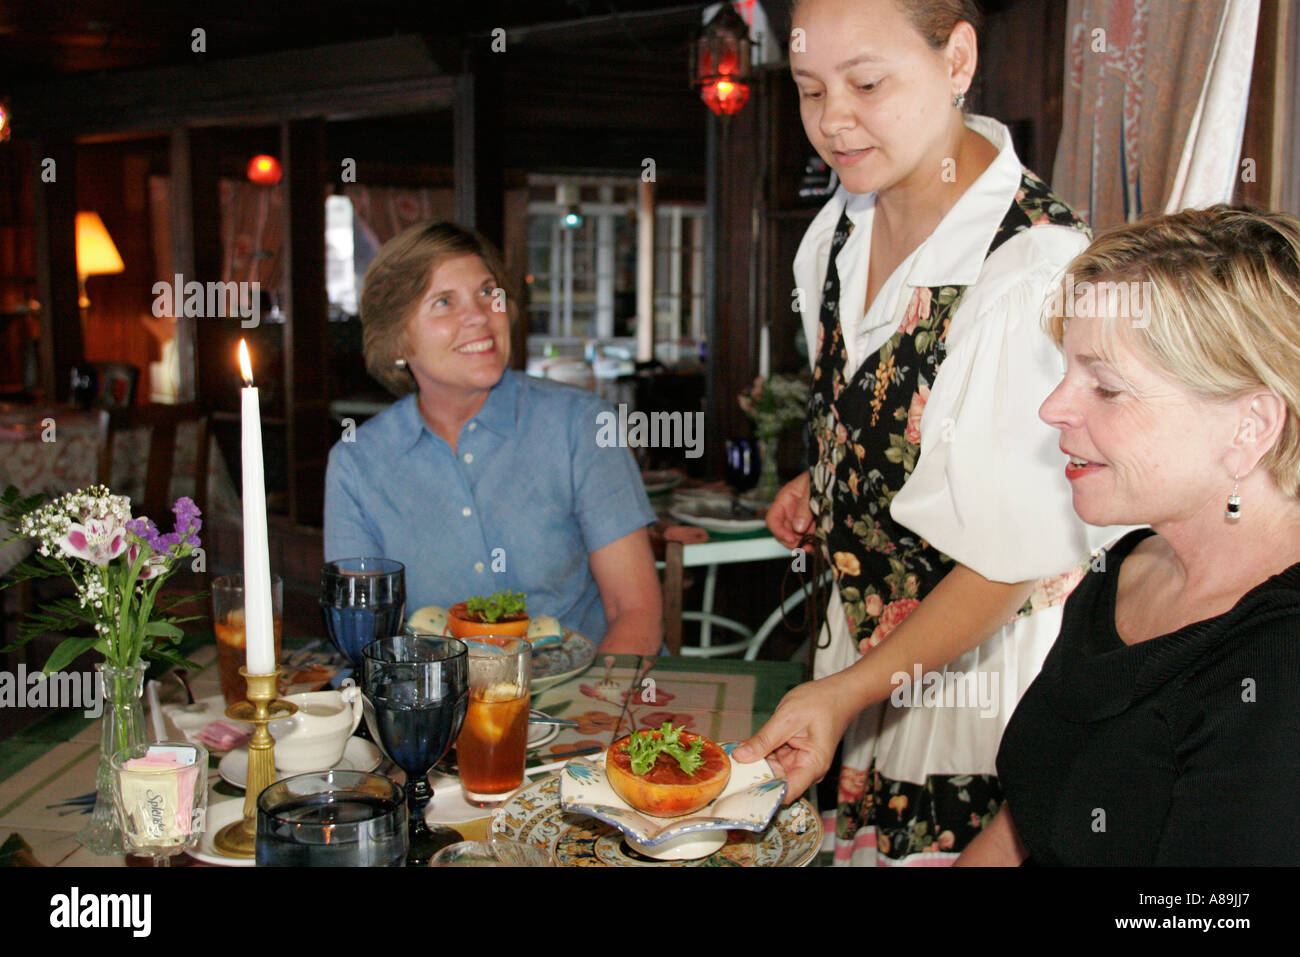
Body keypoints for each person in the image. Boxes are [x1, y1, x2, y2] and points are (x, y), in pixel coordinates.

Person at [733, 0, 1127, 864]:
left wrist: (846, 693)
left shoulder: (1030, 267)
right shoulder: (841, 226)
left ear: (957, 60)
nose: (834, 120)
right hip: (860, 680)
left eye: (868, 83)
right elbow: (888, 414)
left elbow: (1011, 558)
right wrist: (838, 481)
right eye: (808, 90)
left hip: (975, 702)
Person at [956, 206, 1300, 866]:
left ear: (1251, 425)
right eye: (1067, 370)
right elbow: (1029, 817)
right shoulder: (1128, 568)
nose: (1053, 407)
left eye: (1106, 387)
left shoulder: (1280, 663)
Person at [324, 221, 662, 655]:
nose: (480, 317)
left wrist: (593, 712)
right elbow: (364, 639)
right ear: (397, 341)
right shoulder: (358, 463)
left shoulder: (579, 425)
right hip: (438, 710)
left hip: (585, 699)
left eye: (488, 293)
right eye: (444, 302)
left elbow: (635, 612)